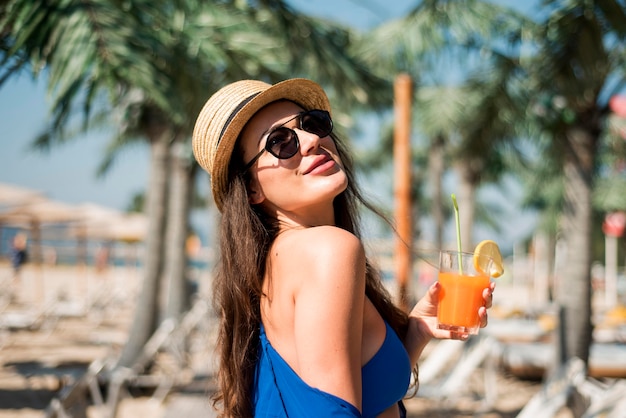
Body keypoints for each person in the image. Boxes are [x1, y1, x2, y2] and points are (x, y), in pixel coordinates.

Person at [192, 78, 495, 418]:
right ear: (251, 189)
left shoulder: (274, 265)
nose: (311, 141)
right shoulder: (329, 249)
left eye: (312, 124)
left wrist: (415, 332)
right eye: (279, 142)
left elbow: (355, 393)